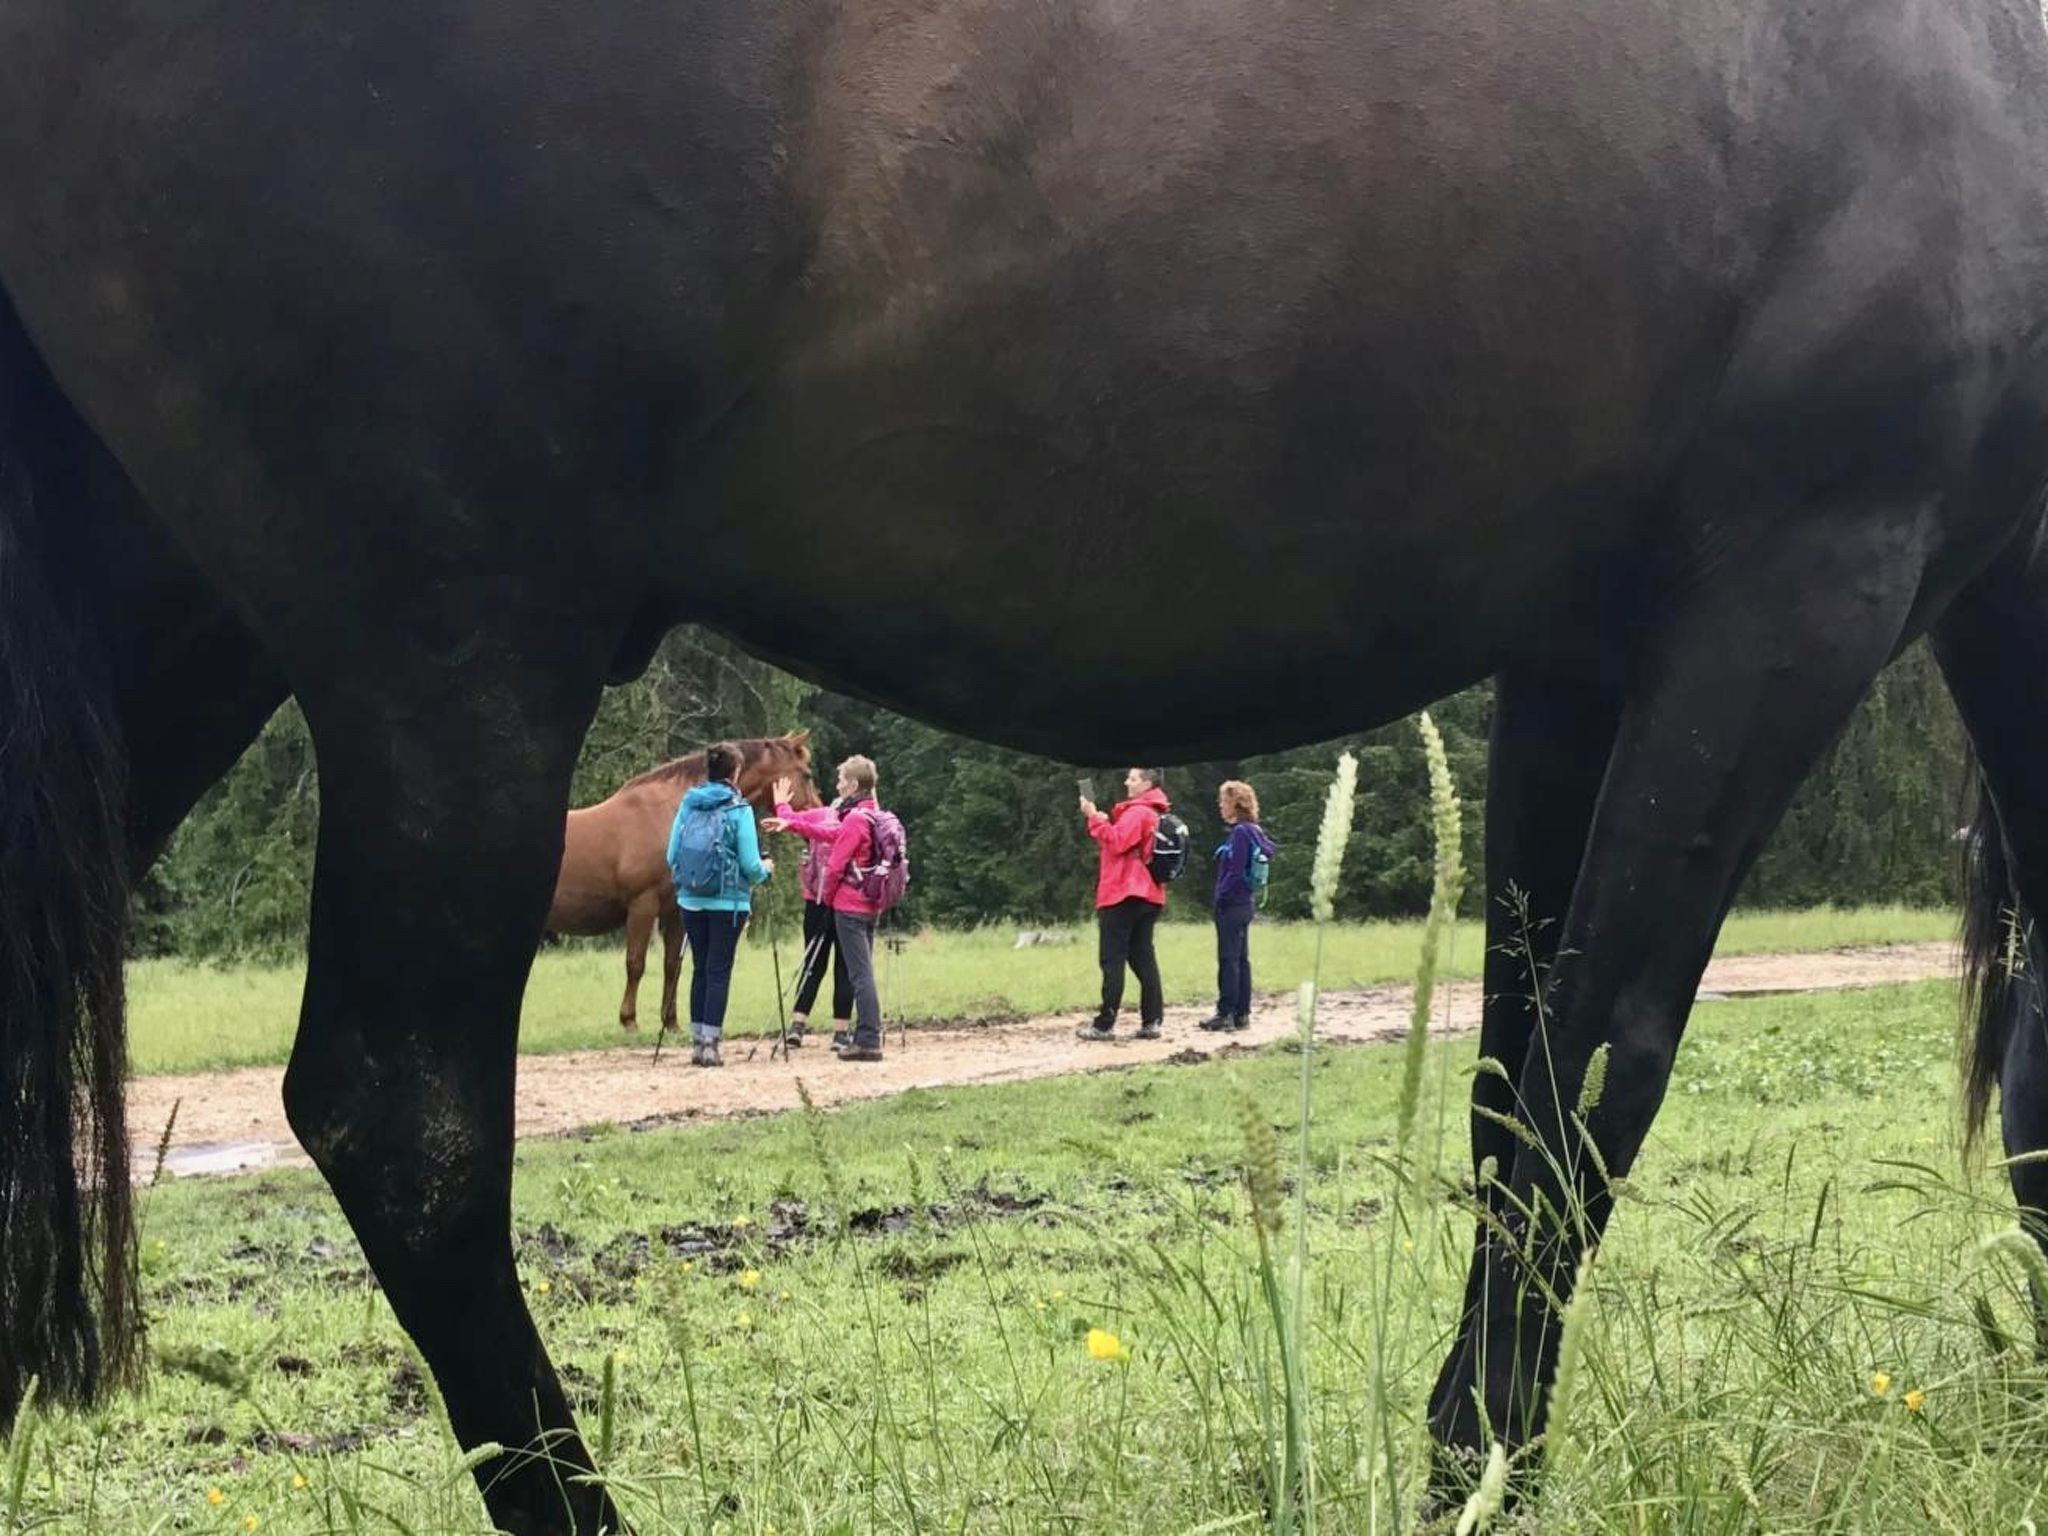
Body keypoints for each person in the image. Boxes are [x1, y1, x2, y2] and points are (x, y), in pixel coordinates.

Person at [666, 742, 773, 1067]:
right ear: (735, 773)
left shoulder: (688, 805)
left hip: (690, 900)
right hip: (728, 903)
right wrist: (766, 871)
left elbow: (671, 856)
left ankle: (698, 1043)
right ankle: (712, 1045)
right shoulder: (739, 810)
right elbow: (751, 865)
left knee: (700, 968)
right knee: (718, 971)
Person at [1075, 767, 1170, 1042]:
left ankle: (1105, 1024)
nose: (1127, 782)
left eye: (1133, 778)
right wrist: (1105, 822)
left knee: (1112, 959)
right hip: (1150, 894)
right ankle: (1152, 1021)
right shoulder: (1155, 812)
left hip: (1123, 893)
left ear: (1147, 783)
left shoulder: (1138, 812)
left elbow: (1117, 843)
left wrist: (1093, 817)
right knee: (1143, 958)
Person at [766, 773, 854, 1049]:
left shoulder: (822, 815)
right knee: (845, 967)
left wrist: (781, 804)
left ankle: (797, 1025)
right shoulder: (861, 822)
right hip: (847, 903)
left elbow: (791, 820)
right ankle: (841, 1033)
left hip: (815, 902)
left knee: (812, 964)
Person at [820, 754, 889, 1062]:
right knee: (864, 970)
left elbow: (836, 865)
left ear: (853, 784)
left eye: (841, 780)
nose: (838, 786)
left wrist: (827, 897)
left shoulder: (854, 820)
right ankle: (867, 1034)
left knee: (859, 975)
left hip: (849, 905)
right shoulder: (876, 815)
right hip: (871, 903)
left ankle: (869, 1039)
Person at [1201, 779, 1276, 1032]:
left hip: (1232, 904)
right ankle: (1242, 1013)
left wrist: (1220, 897)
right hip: (1246, 903)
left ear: (1237, 804)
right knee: (1241, 959)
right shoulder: (1255, 831)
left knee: (1228, 959)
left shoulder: (1241, 833)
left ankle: (1226, 1013)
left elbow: (1234, 871)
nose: (1220, 806)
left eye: (1224, 801)